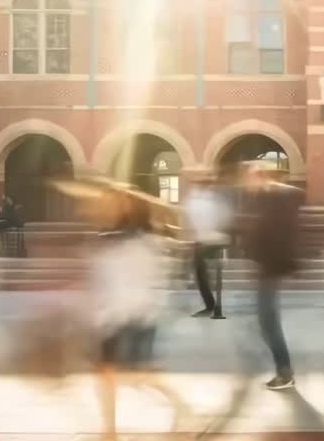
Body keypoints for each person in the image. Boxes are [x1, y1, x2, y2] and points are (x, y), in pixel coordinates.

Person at [87, 187, 170, 439]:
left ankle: (181, 406)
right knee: (110, 373)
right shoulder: (125, 238)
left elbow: (138, 281)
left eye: (118, 203)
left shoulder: (139, 241)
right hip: (122, 315)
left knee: (135, 375)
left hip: (129, 315)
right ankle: (109, 429)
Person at [237, 163, 302, 390]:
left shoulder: (275, 197)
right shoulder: (265, 198)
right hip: (268, 266)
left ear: (260, 177)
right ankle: (284, 371)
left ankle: (285, 373)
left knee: (269, 322)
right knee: (267, 322)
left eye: (250, 177)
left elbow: (275, 231)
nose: (247, 182)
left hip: (271, 267)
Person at [183, 179, 233, 316]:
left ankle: (211, 305)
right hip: (209, 239)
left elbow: (203, 221)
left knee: (200, 272)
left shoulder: (201, 200)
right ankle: (211, 304)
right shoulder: (209, 199)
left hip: (209, 240)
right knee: (201, 272)